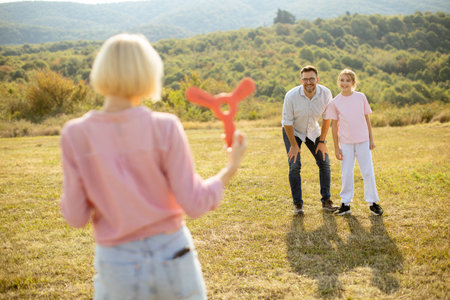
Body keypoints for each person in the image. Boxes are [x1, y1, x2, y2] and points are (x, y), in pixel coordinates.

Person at [59, 34, 247, 300]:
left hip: (116, 263)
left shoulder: (74, 134)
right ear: (149, 72)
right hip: (173, 254)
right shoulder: (166, 126)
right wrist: (230, 168)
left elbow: (76, 217)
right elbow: (194, 203)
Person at [325, 68, 383, 216]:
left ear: (353, 82)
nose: (344, 83)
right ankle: (345, 204)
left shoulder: (361, 97)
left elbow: (367, 119)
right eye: (342, 80)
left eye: (348, 80)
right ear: (339, 82)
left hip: (363, 141)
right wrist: (337, 148)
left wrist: (371, 139)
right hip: (346, 143)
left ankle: (373, 203)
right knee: (346, 173)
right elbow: (334, 127)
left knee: (367, 171)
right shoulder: (335, 102)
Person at [282, 65, 338, 215]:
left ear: (317, 80)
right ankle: (298, 205)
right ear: (301, 81)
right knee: (294, 165)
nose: (309, 82)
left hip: (313, 131)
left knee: (324, 162)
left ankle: (326, 201)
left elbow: (327, 118)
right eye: (305, 79)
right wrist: (294, 145)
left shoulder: (325, 93)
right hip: (293, 131)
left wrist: (322, 142)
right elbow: (287, 123)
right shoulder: (291, 96)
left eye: (312, 79)